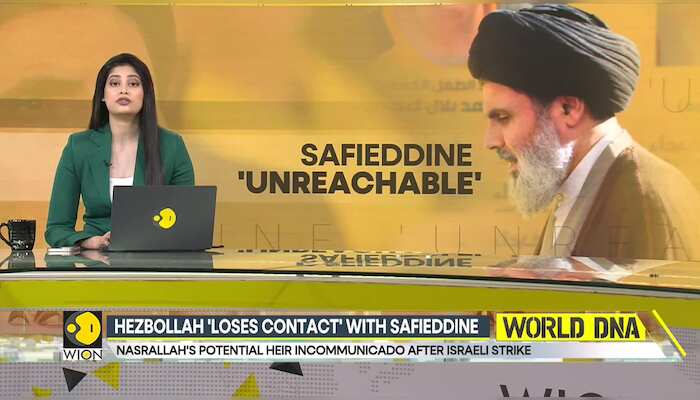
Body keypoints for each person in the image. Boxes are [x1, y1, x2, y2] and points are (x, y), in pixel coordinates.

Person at [468, 4, 700, 260]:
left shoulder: (642, 202)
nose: (490, 141)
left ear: (568, 110)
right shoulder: (585, 186)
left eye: (503, 118)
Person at [45, 53, 194, 249]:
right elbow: (56, 229)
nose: (124, 90)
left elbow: (187, 223)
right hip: (96, 261)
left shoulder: (172, 145)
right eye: (115, 83)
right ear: (102, 95)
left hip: (156, 257)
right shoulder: (79, 147)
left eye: (133, 84)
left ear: (146, 94)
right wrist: (91, 241)